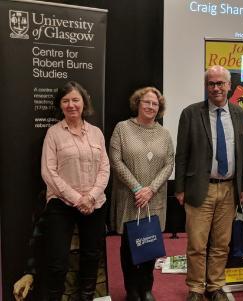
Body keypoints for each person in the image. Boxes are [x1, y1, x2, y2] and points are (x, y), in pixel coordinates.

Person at [175, 65, 243, 301]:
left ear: (229, 86)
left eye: (220, 83)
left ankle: (215, 286)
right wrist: (179, 188)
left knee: (221, 244)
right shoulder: (190, 113)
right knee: (197, 244)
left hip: (229, 190)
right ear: (206, 86)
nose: (216, 88)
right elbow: (182, 154)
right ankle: (196, 288)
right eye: (211, 83)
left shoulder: (240, 115)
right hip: (199, 188)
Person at [41, 81, 110, 300]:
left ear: (84, 102)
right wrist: (77, 198)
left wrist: (90, 197)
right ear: (60, 105)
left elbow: (105, 168)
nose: (71, 105)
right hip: (61, 205)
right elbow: (49, 172)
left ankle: (87, 296)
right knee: (58, 262)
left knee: (91, 255)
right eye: (66, 101)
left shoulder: (96, 133)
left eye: (75, 100)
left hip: (94, 203)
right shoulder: (53, 134)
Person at [109, 87, 174, 301]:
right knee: (129, 246)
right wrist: (137, 188)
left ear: (159, 107)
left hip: (154, 198)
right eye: (146, 102)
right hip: (130, 198)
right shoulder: (122, 128)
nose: (150, 106)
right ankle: (131, 290)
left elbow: (169, 164)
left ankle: (146, 288)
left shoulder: (164, 134)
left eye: (155, 104)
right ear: (138, 103)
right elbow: (116, 161)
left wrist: (150, 189)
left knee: (150, 244)